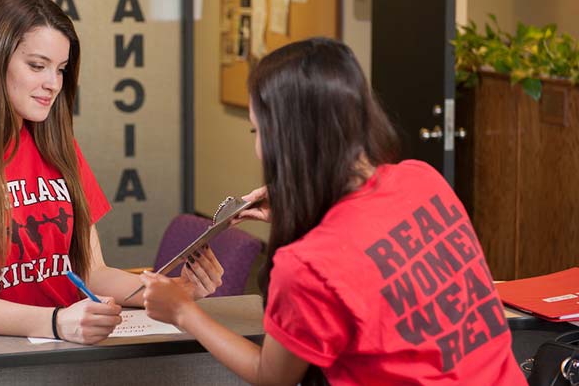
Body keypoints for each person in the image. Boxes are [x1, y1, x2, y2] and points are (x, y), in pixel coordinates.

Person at [139, 38, 525, 384]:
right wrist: (310, 212)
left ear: (288, 140)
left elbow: (271, 375)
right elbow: (375, 261)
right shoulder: (423, 180)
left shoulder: (308, 264)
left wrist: (184, 313)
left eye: (257, 132)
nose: (258, 148)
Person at [0, 0, 224, 345]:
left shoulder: (57, 146)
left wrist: (172, 291)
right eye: (37, 65)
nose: (53, 83)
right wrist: (55, 322)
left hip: (65, 353)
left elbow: (92, 272)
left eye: (61, 69)